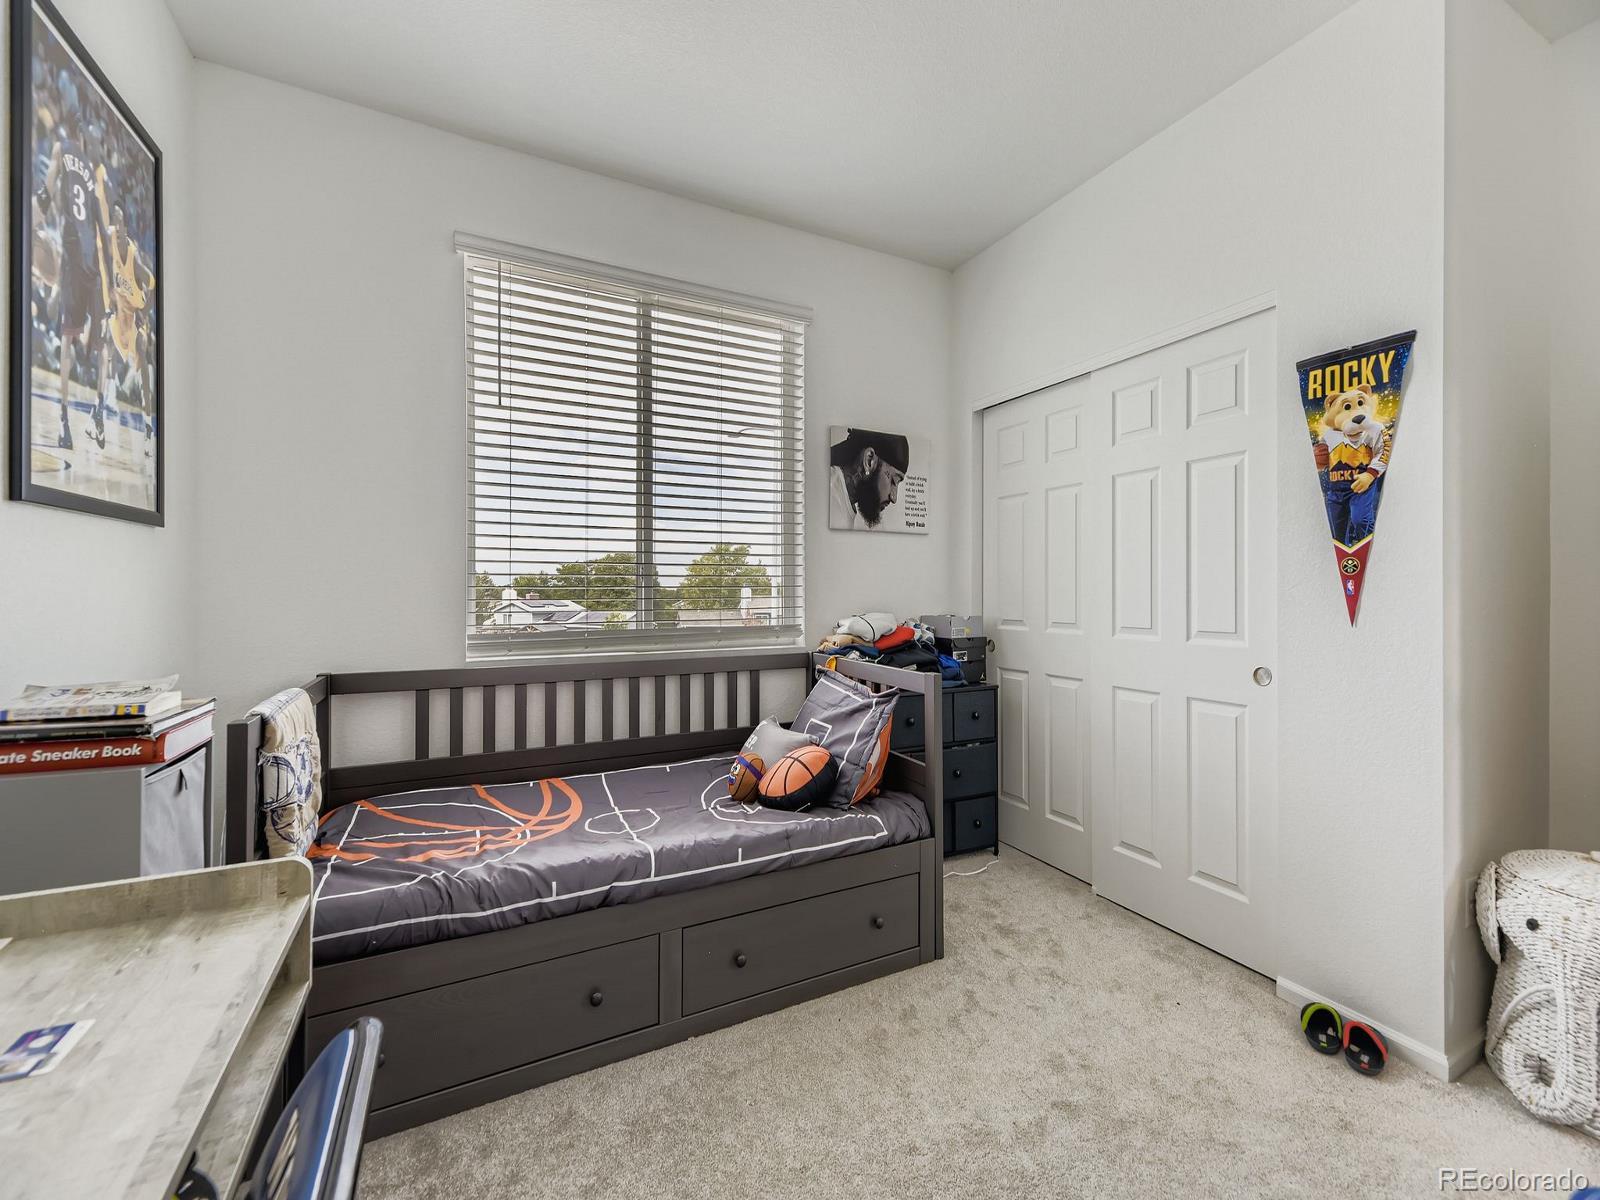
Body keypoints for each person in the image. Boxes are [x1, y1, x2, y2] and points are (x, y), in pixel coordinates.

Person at [829, 428, 910, 530]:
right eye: (894, 481)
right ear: (869, 460)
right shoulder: (831, 498)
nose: (894, 498)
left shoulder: (839, 497)